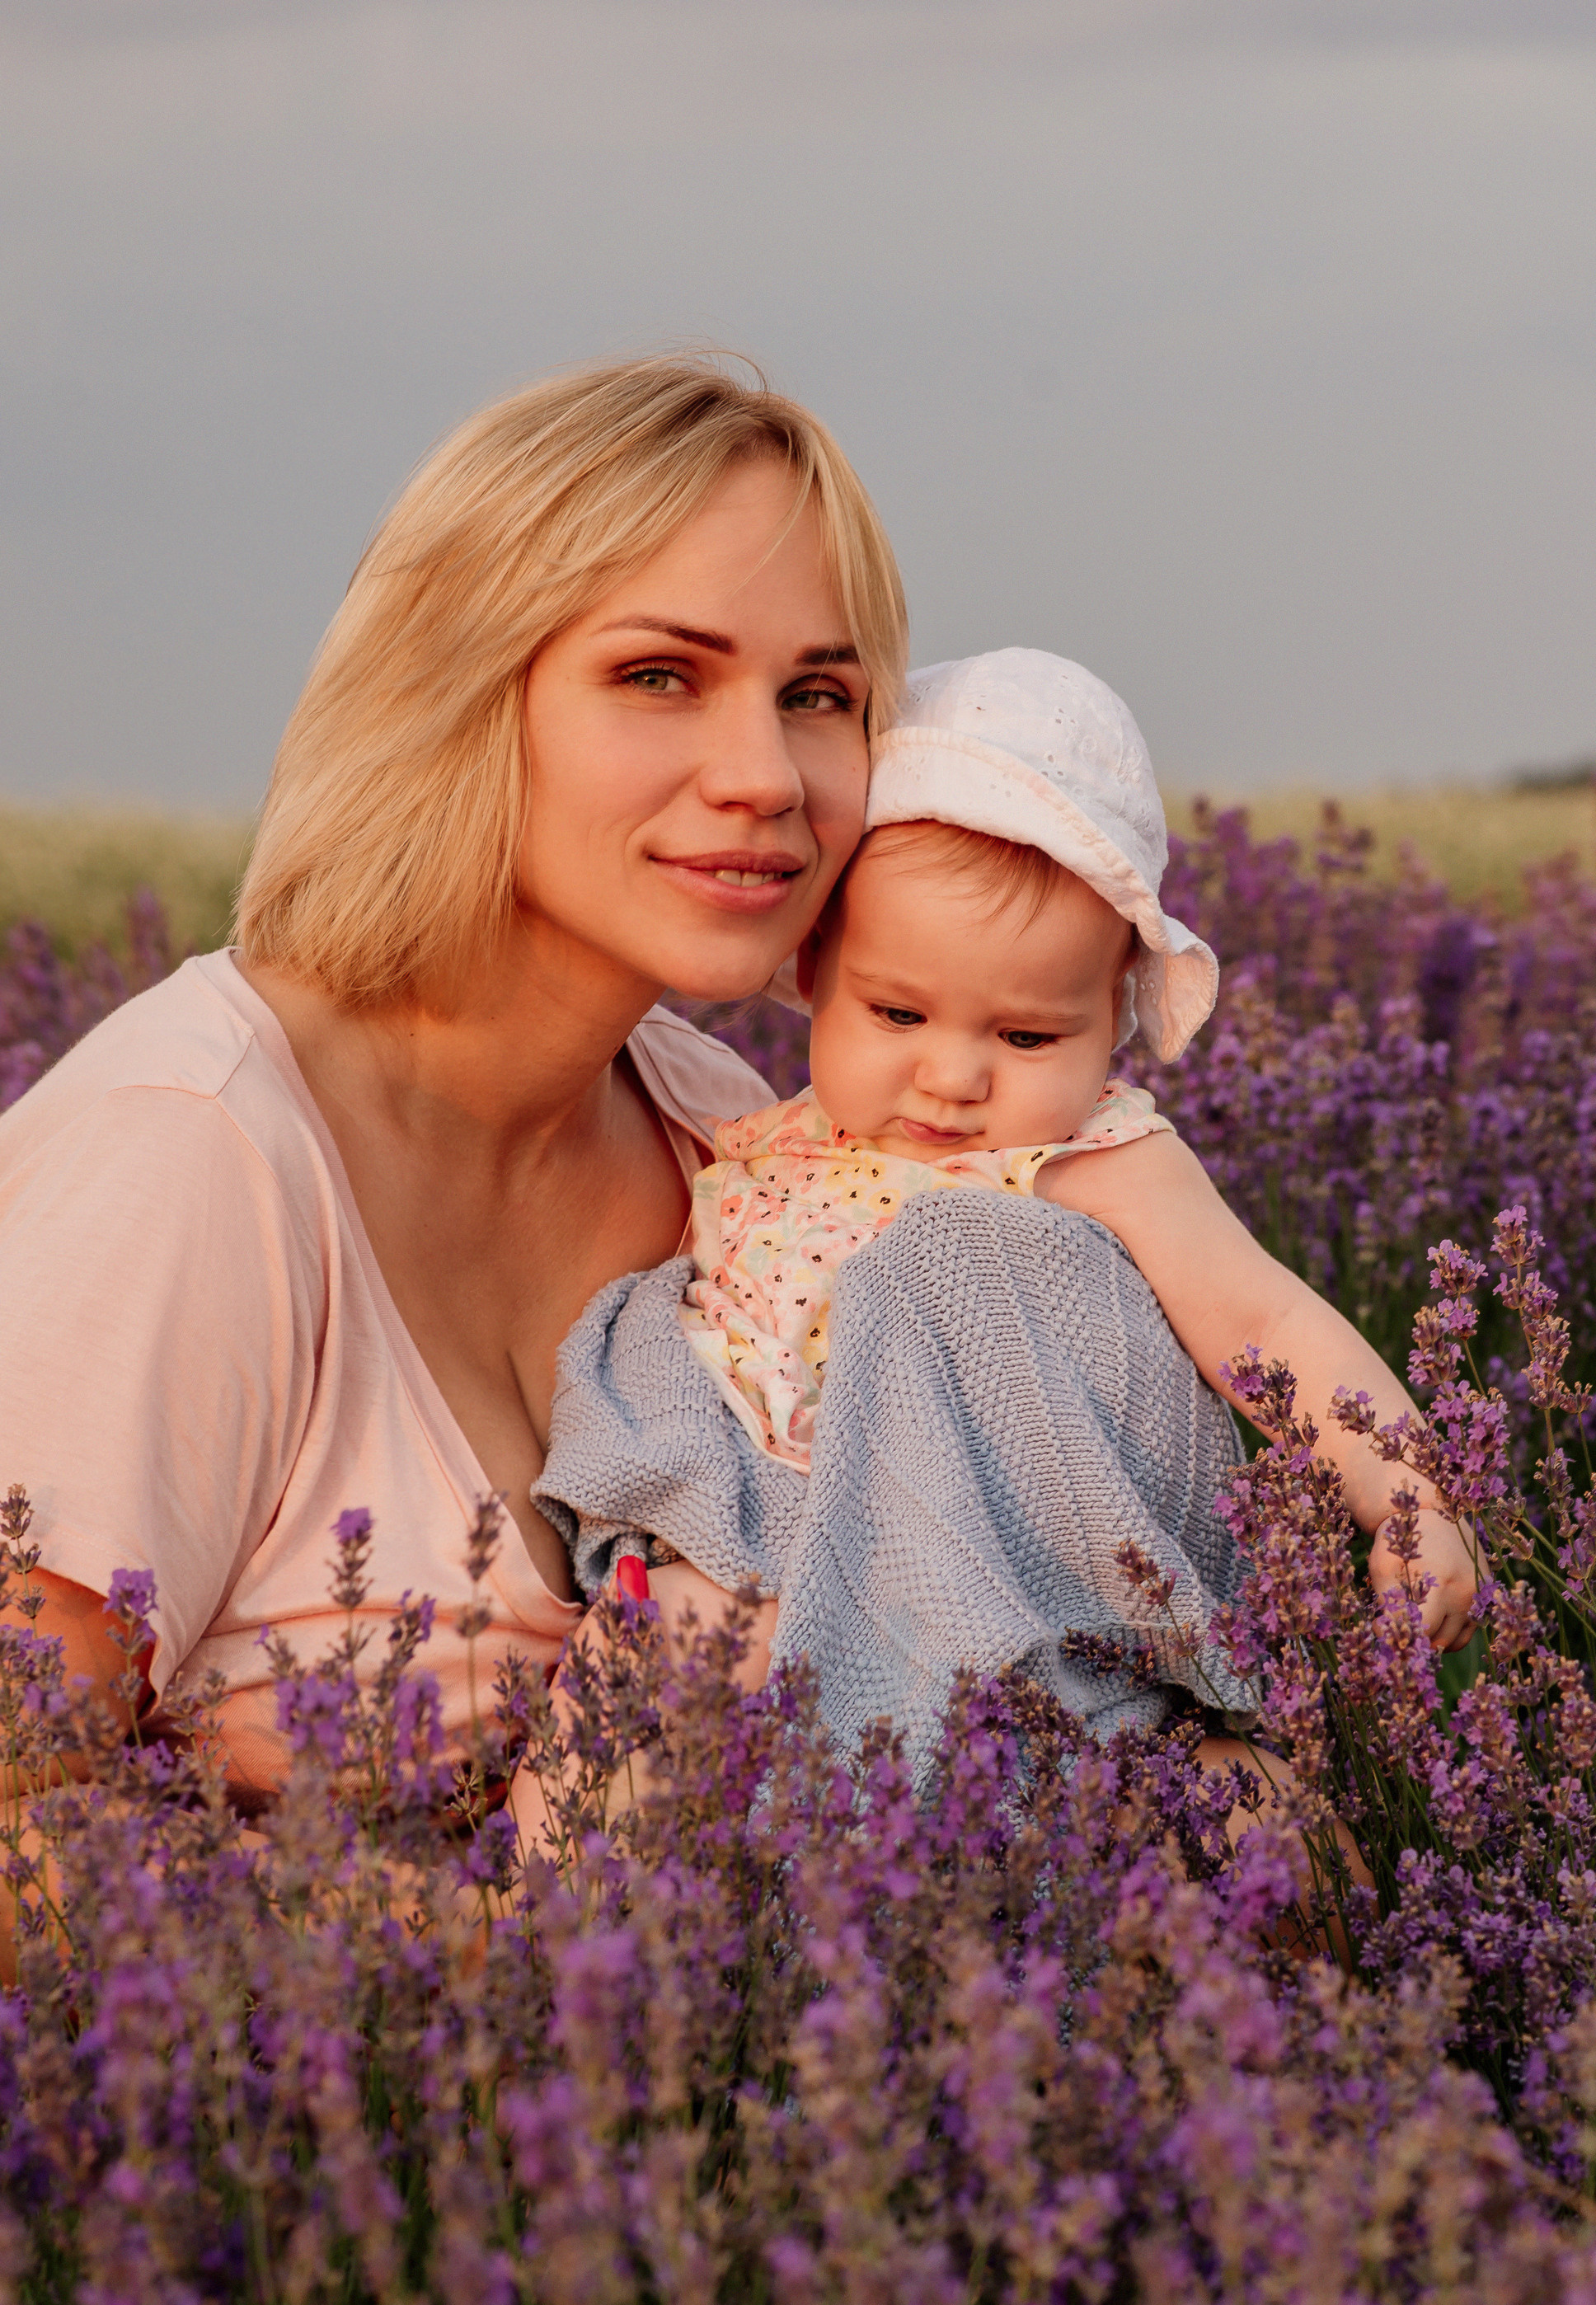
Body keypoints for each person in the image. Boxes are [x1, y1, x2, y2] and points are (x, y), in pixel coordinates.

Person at [0, 352, 907, 1817]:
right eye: (659, 675)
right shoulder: (196, 1149)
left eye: (818, 693)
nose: (767, 774)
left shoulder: (719, 1133)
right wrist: (461, 1931)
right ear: (461, 691)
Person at [524, 651, 1477, 1796]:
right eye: (897, 1012)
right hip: (738, 1523)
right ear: (816, 965)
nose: (953, 1078)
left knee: (1034, 1778)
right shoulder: (776, 1140)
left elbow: (1266, 1321)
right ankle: (537, 1899)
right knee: (621, 1692)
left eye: (1027, 1037)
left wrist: (1412, 1494)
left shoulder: (1095, 1158)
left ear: (1112, 1020)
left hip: (962, 1554)